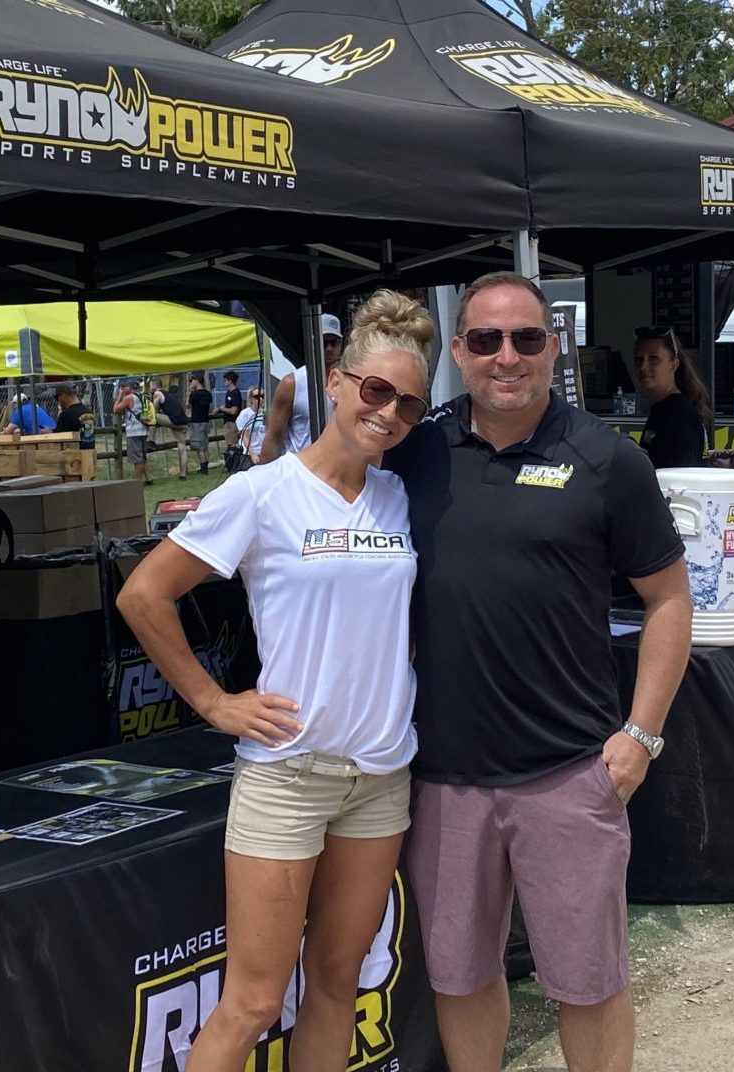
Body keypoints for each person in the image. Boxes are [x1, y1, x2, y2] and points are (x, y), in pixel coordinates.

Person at [380, 272, 692, 1072]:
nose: (506, 357)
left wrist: (640, 738)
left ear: (554, 345)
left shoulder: (605, 460)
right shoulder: (417, 453)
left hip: (569, 771)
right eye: (485, 340)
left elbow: (669, 602)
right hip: (444, 777)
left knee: (586, 982)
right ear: (458, 351)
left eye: (526, 338)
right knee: (459, 973)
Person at [116, 291, 435, 1072]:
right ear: (335, 380)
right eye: (375, 390)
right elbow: (143, 594)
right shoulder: (258, 494)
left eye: (408, 403)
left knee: (335, 984)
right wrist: (210, 700)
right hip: (287, 776)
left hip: (380, 776)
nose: (388, 413)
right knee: (254, 1001)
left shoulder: (399, 496)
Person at [262, 313, 337, 461]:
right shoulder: (292, 383)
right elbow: (274, 436)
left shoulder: (349, 382)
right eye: (324, 342)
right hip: (301, 468)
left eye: (334, 342)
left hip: (337, 470)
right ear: (313, 342)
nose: (329, 348)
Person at [633, 326, 710, 470]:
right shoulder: (663, 410)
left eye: (653, 359)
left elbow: (680, 482)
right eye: (638, 359)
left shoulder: (681, 417)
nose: (643, 366)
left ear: (673, 365)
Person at [114, 380, 151, 484]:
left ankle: (138, 481)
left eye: (124, 387)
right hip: (143, 429)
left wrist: (120, 395)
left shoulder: (129, 398)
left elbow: (116, 409)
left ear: (128, 387)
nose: (123, 389)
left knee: (137, 458)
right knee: (142, 456)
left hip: (134, 431)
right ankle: (149, 478)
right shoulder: (142, 396)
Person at [157, 379, 191, 480]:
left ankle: (150, 439)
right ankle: (183, 474)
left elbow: (154, 409)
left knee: (152, 416)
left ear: (155, 385)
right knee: (182, 448)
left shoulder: (157, 393)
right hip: (183, 421)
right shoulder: (169, 395)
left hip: (174, 421)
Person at [187, 374, 215, 474]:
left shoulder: (193, 395)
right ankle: (205, 466)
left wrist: (190, 392)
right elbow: (211, 408)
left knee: (200, 447)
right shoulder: (208, 394)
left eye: (191, 381)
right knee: (205, 445)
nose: (190, 383)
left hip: (196, 423)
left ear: (196, 381)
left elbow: (187, 406)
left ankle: (204, 469)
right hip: (205, 421)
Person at [54, 385, 96, 449]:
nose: (58, 402)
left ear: (62, 396)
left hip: (74, 455)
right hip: (89, 453)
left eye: (57, 398)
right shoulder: (88, 411)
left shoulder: (66, 414)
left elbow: (59, 437)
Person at [234, 387, 266, 468]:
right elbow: (245, 437)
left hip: (264, 452)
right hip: (249, 454)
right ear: (251, 399)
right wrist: (253, 454)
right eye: (257, 397)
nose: (261, 399)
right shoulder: (245, 414)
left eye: (263, 396)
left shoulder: (266, 413)